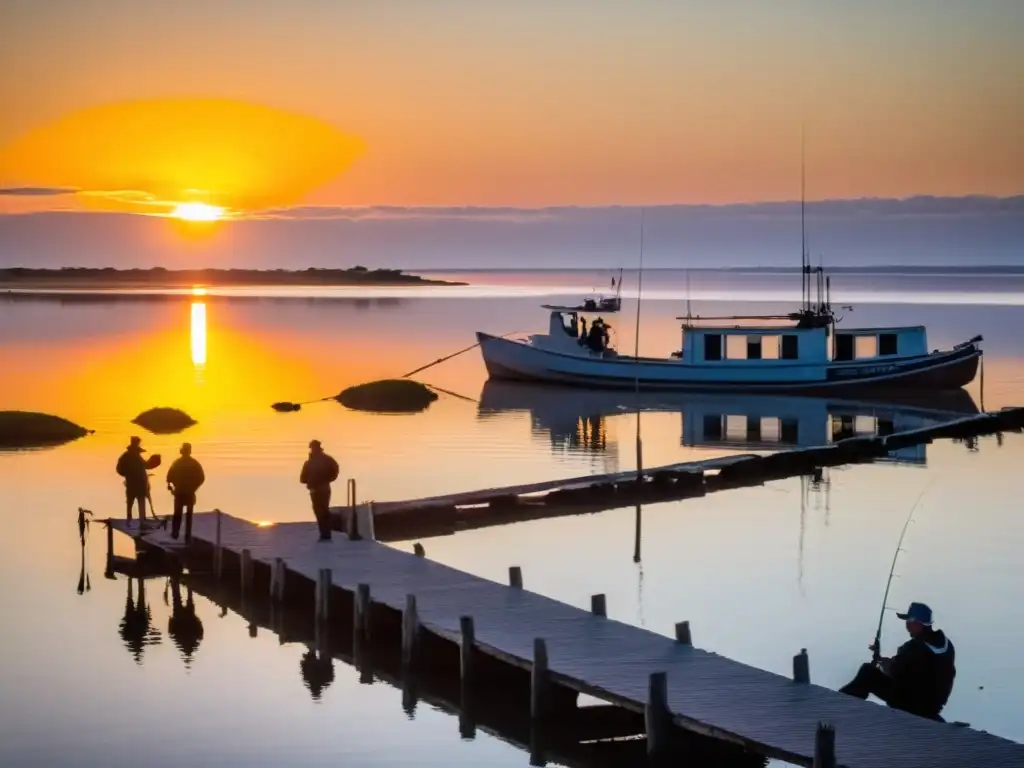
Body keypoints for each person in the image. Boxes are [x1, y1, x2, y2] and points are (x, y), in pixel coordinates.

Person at [839, 601, 956, 720]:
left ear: (916, 622)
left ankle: (839, 704)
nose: (907, 625)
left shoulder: (914, 647)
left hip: (911, 704)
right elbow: (916, 670)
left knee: (867, 672)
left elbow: (896, 672)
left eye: (908, 621)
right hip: (931, 708)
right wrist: (879, 659)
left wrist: (882, 665)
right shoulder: (946, 646)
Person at [300, 440, 340, 541]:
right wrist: (308, 480)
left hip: (322, 489)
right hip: (316, 489)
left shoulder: (325, 460)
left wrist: (327, 479)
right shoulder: (310, 462)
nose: (312, 449)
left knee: (323, 511)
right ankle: (324, 533)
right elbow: (302, 478)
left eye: (313, 447)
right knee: (319, 511)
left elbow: (335, 470)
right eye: (311, 447)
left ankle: (326, 534)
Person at [166, 442, 205, 542]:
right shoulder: (195, 463)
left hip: (179, 493)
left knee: (177, 515)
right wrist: (194, 488)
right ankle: (187, 536)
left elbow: (169, 477)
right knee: (189, 516)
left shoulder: (177, 463)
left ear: (182, 451)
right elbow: (201, 478)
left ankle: (175, 534)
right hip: (189, 493)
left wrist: (171, 486)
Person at [116, 436, 149, 523]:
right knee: (135, 504)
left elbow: (119, 469)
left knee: (133, 504)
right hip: (136, 485)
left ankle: (132, 520)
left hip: (136, 485)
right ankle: (138, 521)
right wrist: (128, 474)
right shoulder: (127, 457)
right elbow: (119, 469)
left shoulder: (128, 456)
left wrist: (127, 475)